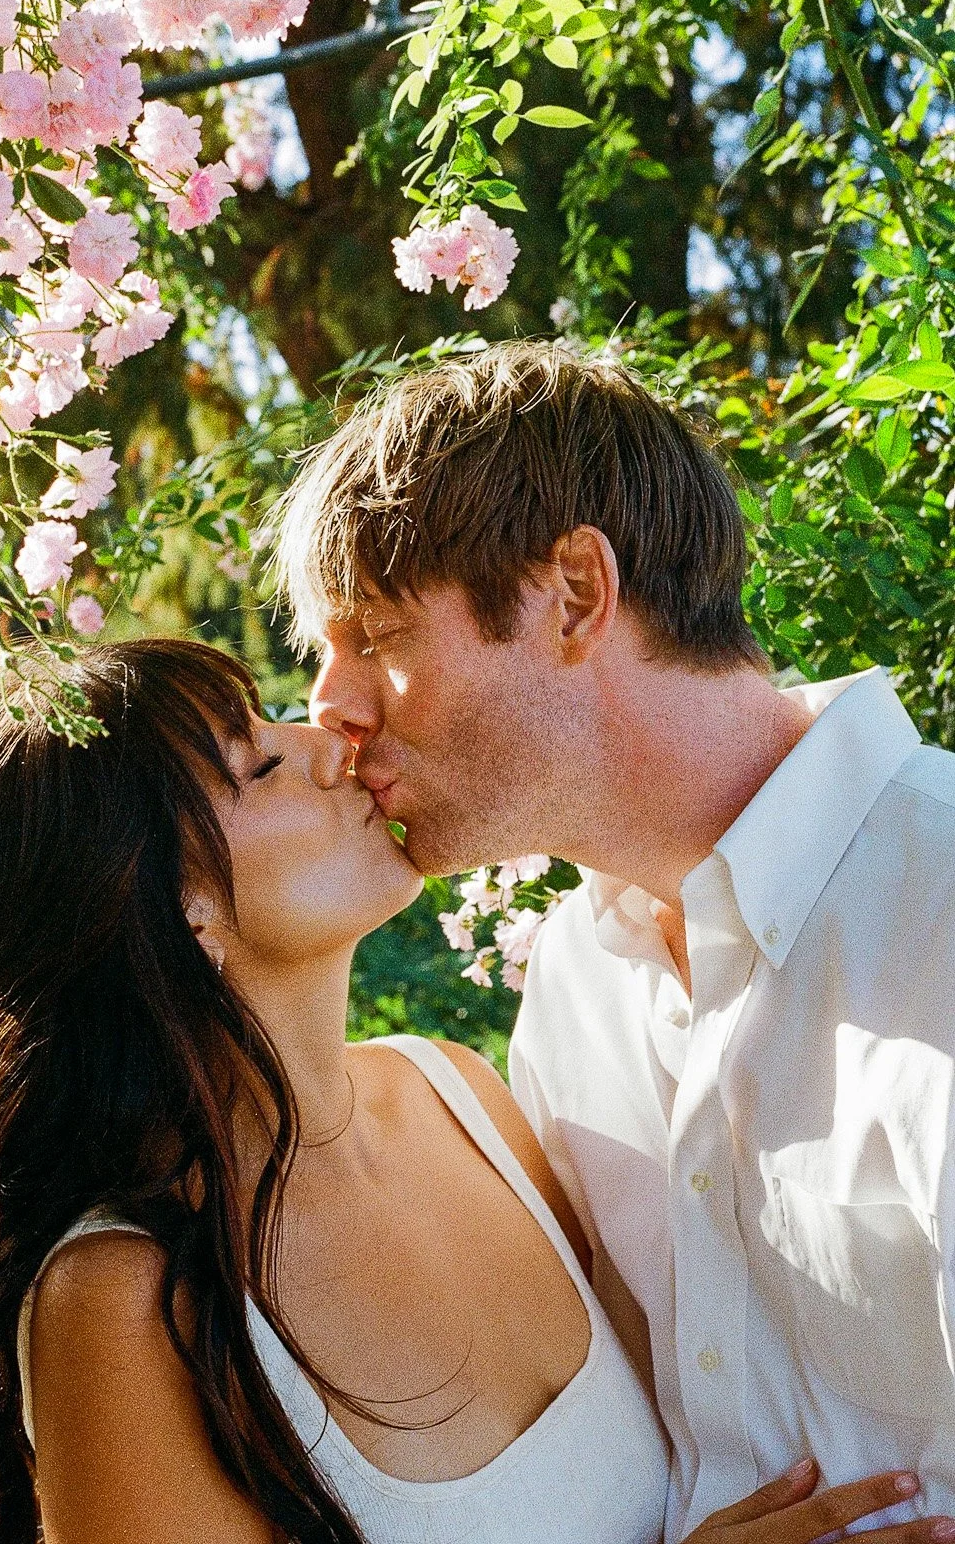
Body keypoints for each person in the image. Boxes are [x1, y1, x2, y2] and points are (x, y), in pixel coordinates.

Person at [0, 636, 941, 1544]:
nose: (331, 742)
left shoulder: (461, 1097)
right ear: (177, 907)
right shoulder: (124, 1303)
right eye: (256, 762)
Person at [278, 338, 955, 1542]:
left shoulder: (937, 900)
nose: (328, 705)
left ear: (575, 594)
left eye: (374, 633)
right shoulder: (578, 985)